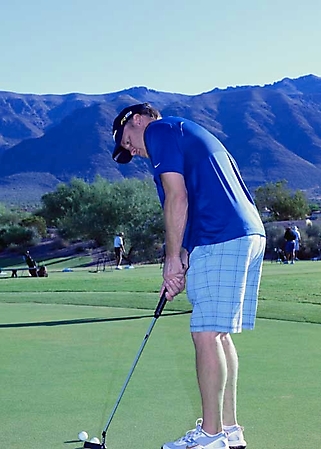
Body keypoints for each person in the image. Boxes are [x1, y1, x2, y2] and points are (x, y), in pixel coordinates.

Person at [112, 103, 266, 449]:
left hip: (221, 234)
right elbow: (197, 200)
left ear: (137, 120)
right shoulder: (184, 132)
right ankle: (229, 430)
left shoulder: (159, 131)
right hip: (243, 232)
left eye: (126, 141)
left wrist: (169, 258)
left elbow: (177, 198)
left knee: (205, 334)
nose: (132, 151)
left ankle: (211, 436)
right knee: (219, 335)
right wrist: (181, 257)